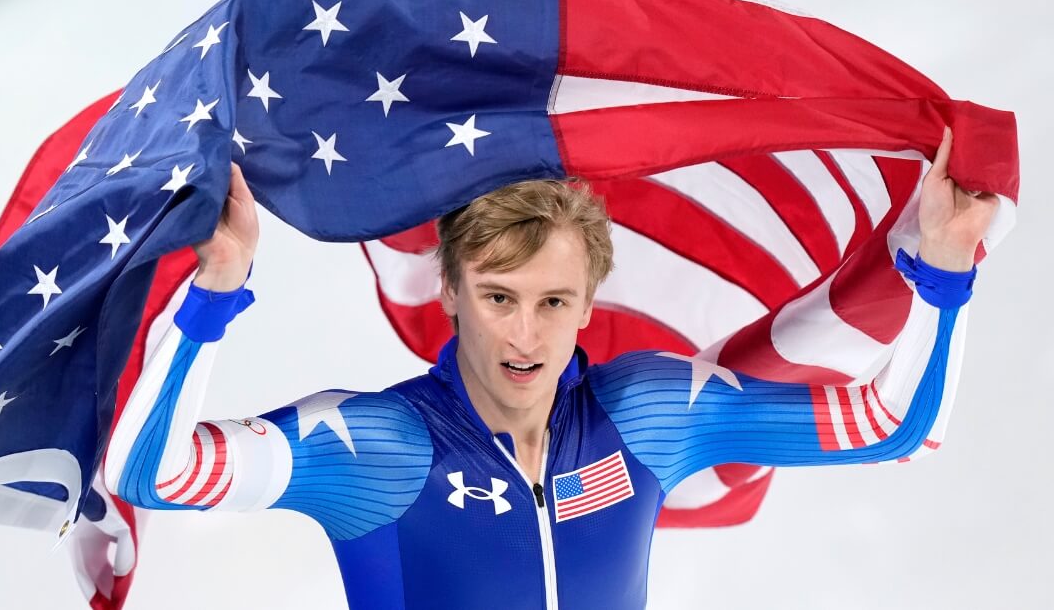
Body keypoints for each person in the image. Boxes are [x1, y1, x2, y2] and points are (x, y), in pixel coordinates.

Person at [103, 127, 998, 609]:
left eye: (553, 301)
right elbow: (153, 470)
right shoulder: (372, 445)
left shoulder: (651, 412)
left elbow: (892, 426)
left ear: (590, 299)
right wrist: (213, 294)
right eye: (498, 297)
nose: (525, 335)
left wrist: (945, 275)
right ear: (449, 291)